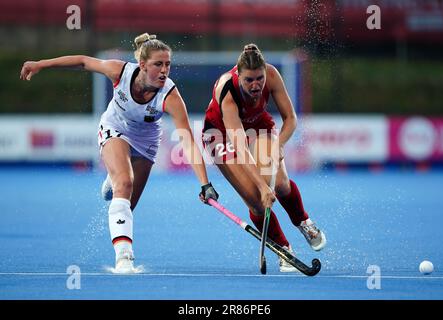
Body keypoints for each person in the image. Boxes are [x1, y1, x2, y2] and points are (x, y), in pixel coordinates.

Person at [20, 33, 218, 273]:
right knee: (125, 183)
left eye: (167, 64)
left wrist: (205, 184)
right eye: (158, 64)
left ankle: (112, 181)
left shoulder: (171, 96)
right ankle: (124, 258)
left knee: (127, 207)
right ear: (143, 65)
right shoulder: (120, 72)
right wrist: (41, 64)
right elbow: (83, 61)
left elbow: (187, 140)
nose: (164, 70)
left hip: (147, 141)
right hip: (116, 127)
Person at [202, 44, 325, 272]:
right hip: (220, 137)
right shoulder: (227, 93)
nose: (256, 85)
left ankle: (304, 222)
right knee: (258, 201)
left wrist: (278, 145)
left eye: (259, 78)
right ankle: (283, 248)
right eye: (249, 80)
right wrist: (260, 186)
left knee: (279, 183)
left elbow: (290, 119)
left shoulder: (272, 75)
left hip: (258, 126)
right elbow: (239, 147)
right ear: (238, 75)